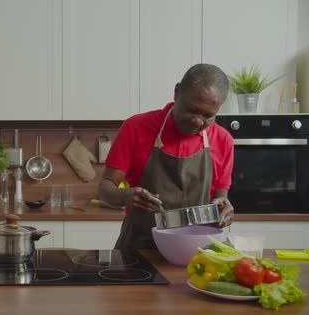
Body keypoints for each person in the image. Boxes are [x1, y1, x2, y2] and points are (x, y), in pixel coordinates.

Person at [98, 63, 235, 252]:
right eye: (192, 110)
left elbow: (221, 199)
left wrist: (224, 209)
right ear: (177, 92)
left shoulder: (223, 140)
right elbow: (105, 189)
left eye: (208, 115)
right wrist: (125, 196)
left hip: (198, 253)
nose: (197, 120)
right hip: (141, 250)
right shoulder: (136, 127)